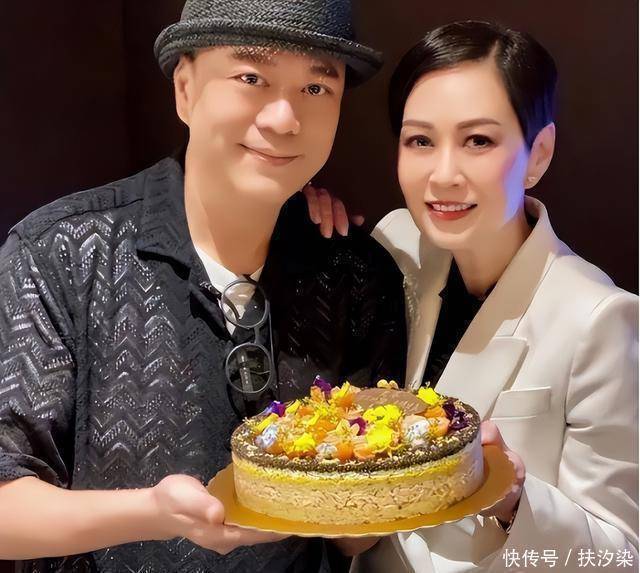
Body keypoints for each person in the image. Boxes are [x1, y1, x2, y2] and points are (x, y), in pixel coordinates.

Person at [0, 1, 407, 571]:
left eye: (317, 88)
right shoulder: (62, 251)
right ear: (185, 89)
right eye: (252, 78)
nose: (285, 119)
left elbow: (355, 537)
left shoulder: (357, 274)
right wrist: (154, 513)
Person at [306, 20, 638, 572]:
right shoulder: (393, 245)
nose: (443, 175)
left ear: (539, 153)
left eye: (478, 141)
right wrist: (299, 216)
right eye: (420, 141)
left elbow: (621, 556)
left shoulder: (600, 318)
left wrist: (514, 500)